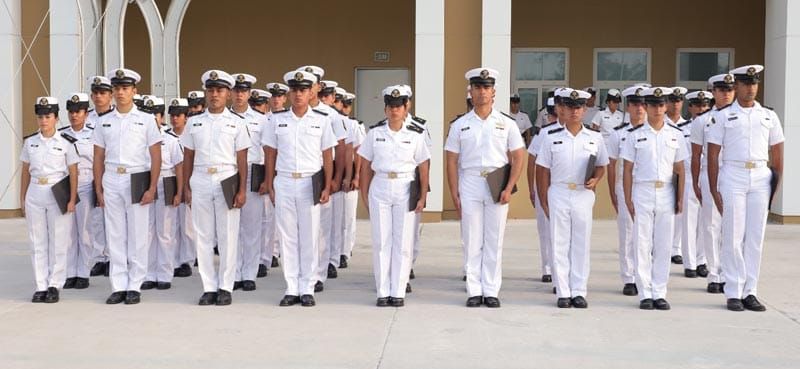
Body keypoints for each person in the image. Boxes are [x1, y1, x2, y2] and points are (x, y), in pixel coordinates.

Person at [445, 67, 525, 308]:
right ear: (470, 91)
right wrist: (454, 192)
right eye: (477, 87)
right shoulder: (460, 124)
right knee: (471, 238)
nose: (482, 92)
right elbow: (451, 160)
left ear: (494, 92)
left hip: (496, 181)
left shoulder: (506, 123)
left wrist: (509, 187)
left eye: (486, 87)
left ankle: (491, 289)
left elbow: (518, 156)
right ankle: (474, 289)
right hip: (470, 181)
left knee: (494, 238)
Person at [707, 65, 784, 312]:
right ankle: (733, 291)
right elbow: (712, 154)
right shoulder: (722, 116)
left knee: (755, 237)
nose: (751, 88)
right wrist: (714, 189)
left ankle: (751, 291)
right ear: (737, 86)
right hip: (733, 174)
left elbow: (778, 152)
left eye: (754, 83)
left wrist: (775, 186)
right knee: (733, 236)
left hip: (761, 176)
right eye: (746, 83)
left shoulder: (769, 115)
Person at [261, 69, 337, 307]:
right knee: (287, 237)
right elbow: (270, 154)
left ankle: (308, 287)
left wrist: (327, 185)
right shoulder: (276, 120)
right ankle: (291, 287)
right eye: (294, 90)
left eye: (303, 90)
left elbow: (328, 156)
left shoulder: (322, 120)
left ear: (311, 92)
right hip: (284, 180)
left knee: (309, 236)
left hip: (310, 181)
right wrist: (270, 183)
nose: (298, 94)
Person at [93, 68, 162, 305]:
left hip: (137, 177)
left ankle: (135, 284)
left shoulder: (146, 120)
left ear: (134, 91)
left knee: (137, 234)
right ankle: (119, 285)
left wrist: (152, 187)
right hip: (112, 177)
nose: (120, 92)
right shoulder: (104, 121)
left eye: (125, 88)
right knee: (115, 234)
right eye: (117, 88)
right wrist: (99, 188)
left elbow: (156, 155)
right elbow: (98, 157)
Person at [182, 69, 251, 306]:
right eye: (210, 90)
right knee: (203, 235)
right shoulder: (194, 122)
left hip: (226, 177)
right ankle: (209, 287)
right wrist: (186, 186)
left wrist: (242, 189)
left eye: (220, 90)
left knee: (228, 235)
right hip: (200, 178)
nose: (214, 94)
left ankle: (225, 286)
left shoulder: (237, 123)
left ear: (228, 94)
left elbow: (242, 159)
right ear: (205, 93)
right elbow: (188, 156)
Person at [358, 85, 430, 307]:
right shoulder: (375, 133)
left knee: (403, 242)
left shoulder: (415, 134)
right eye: (390, 106)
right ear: (385, 109)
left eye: (398, 106)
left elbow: (423, 166)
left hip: (405, 185)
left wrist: (422, 196)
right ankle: (383, 291)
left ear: (406, 107)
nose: (394, 110)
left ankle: (398, 290)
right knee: (381, 241)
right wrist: (364, 194)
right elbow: (365, 166)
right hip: (380, 185)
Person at [536, 88, 608, 308]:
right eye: (570, 107)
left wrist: (596, 179)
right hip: (558, 191)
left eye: (579, 108)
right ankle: (563, 291)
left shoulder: (595, 137)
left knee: (581, 243)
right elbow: (542, 171)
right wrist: (544, 200)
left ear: (585, 110)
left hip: (583, 193)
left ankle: (578, 290)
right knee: (559, 242)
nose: (574, 111)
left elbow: (602, 165)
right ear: (562, 110)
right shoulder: (550, 137)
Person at [621, 87, 688, 311]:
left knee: (663, 243)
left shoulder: (676, 134)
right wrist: (628, 198)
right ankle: (645, 292)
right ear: (646, 107)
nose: (657, 109)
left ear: (666, 106)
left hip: (666, 191)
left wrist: (680, 197)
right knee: (642, 243)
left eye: (661, 105)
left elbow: (680, 169)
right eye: (652, 105)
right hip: (643, 190)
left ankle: (660, 292)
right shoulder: (635, 135)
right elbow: (627, 169)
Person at [21, 97, 79, 303]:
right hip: (35, 190)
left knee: (58, 240)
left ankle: (55, 284)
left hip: (57, 190)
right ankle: (41, 285)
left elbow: (73, 172)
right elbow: (25, 171)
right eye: (40, 117)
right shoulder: (30, 142)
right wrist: (22, 198)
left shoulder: (65, 142)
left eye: (48, 116)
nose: (43, 121)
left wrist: (72, 198)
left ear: (56, 118)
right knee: (37, 241)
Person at [690, 74, 736, 294]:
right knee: (711, 226)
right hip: (710, 174)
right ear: (713, 93)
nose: (726, 94)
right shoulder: (703, 120)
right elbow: (696, 155)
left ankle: (730, 273)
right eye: (721, 90)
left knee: (733, 228)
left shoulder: (740, 116)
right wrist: (696, 183)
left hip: (734, 174)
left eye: (729, 90)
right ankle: (714, 274)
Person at [606, 86, 647, 296]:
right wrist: (613, 192)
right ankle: (629, 277)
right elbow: (611, 164)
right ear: (628, 107)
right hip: (626, 186)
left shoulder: (656, 131)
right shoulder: (618, 134)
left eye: (643, 104)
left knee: (648, 234)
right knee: (628, 232)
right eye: (634, 104)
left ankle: (645, 276)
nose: (639, 108)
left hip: (649, 186)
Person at [229, 73, 267, 291]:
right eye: (236, 90)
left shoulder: (261, 120)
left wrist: (266, 179)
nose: (239, 95)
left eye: (243, 91)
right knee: (231, 227)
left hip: (253, 172)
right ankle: (233, 273)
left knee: (251, 227)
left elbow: (268, 151)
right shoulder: (224, 117)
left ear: (249, 93)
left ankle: (249, 273)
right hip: (229, 173)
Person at [141, 101, 184, 291]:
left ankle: (165, 274)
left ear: (162, 117)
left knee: (165, 232)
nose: (152, 119)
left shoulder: (171, 140)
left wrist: (179, 192)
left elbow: (179, 167)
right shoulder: (139, 138)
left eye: (156, 115)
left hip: (166, 182)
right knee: (147, 232)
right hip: (145, 182)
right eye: (148, 115)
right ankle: (149, 274)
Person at [60, 93, 95, 290]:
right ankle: (70, 272)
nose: (74, 115)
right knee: (68, 231)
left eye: (78, 111)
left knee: (85, 230)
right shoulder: (61, 134)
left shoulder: (94, 133)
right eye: (71, 112)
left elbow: (99, 160)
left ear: (86, 114)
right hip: (67, 184)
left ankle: (83, 272)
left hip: (86, 183)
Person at [527, 97, 558, 287]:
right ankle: (547, 267)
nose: (554, 117)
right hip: (543, 186)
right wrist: (531, 188)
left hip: (562, 186)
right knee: (545, 230)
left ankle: (559, 269)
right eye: (552, 113)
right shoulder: (543, 134)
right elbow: (531, 161)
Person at [85, 76, 112, 278]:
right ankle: (100, 258)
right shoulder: (87, 118)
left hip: (112, 172)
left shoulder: (117, 116)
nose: (98, 97)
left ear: (110, 95)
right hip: (92, 173)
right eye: (95, 93)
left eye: (103, 93)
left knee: (113, 219)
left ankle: (113, 258)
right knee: (95, 219)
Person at [167, 98, 196, 278]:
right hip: (171, 182)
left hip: (190, 181)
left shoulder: (192, 135)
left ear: (186, 117)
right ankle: (174, 260)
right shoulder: (165, 136)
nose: (175, 118)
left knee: (188, 225)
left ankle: (187, 260)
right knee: (172, 224)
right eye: (172, 115)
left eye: (178, 115)